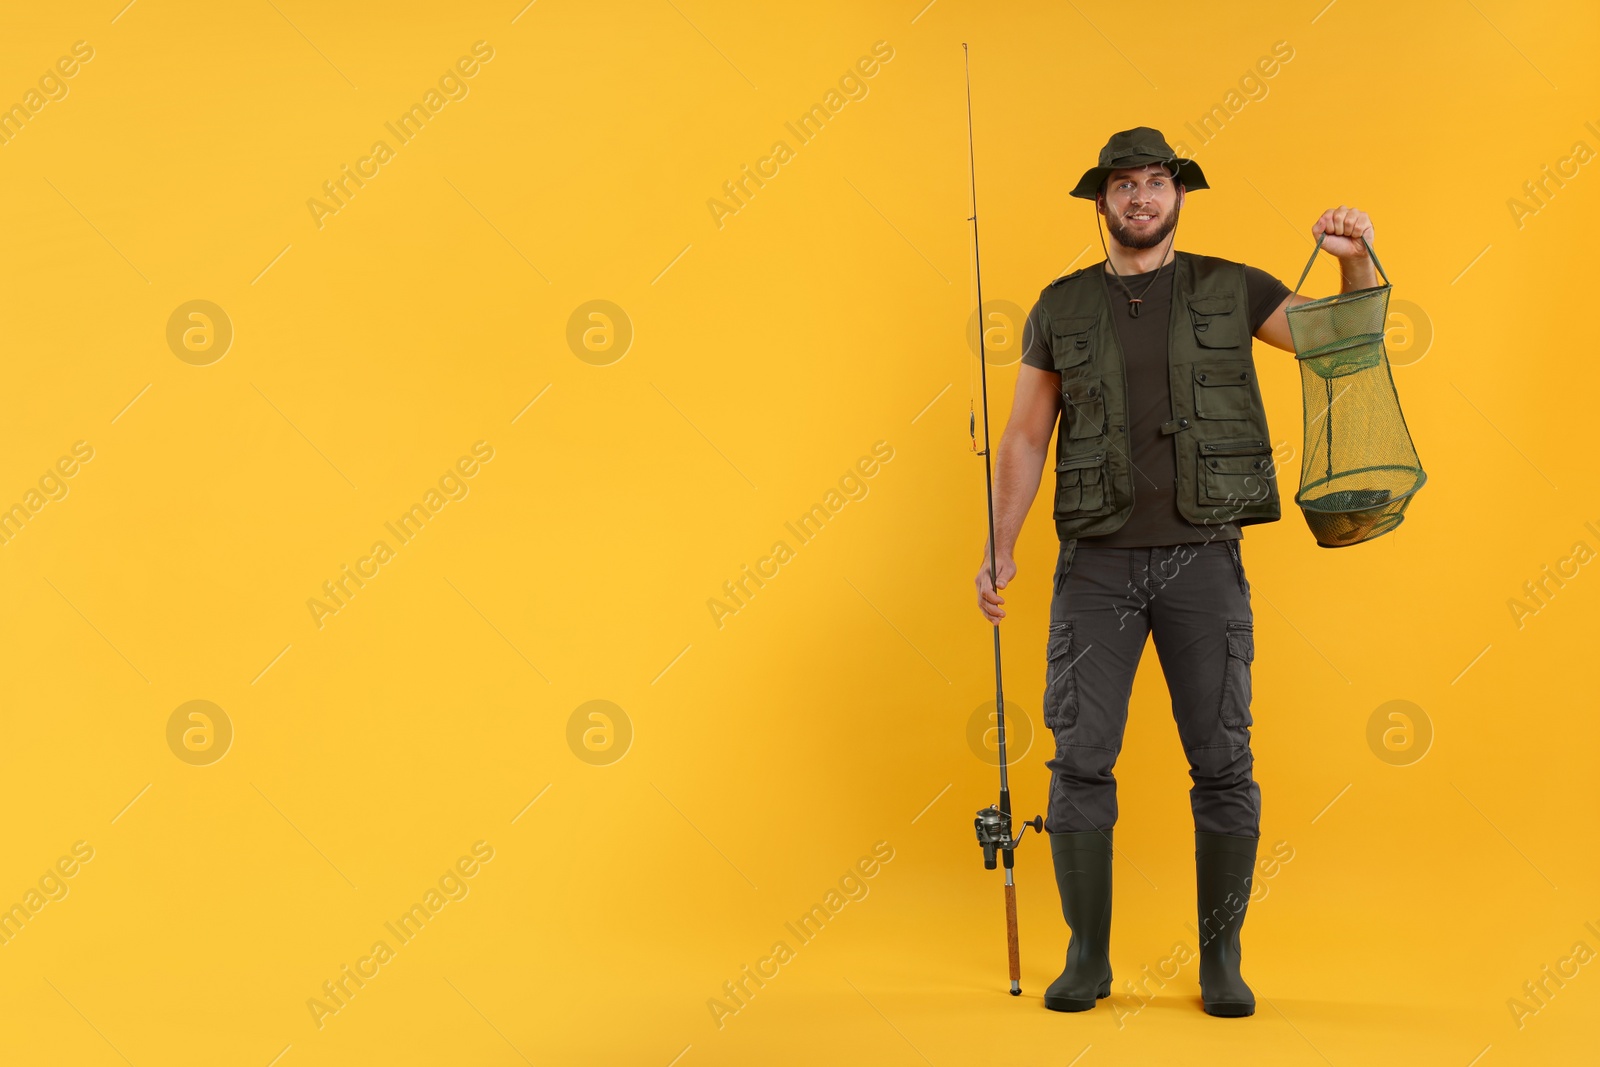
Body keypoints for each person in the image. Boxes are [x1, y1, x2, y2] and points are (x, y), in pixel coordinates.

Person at [972, 126, 1378, 1017]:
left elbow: (1335, 342)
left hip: (1205, 560)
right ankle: (1087, 958)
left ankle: (1222, 961)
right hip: (1095, 568)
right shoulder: (1059, 306)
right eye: (1125, 185)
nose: (1142, 198)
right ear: (1102, 201)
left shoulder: (1232, 288)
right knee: (1079, 758)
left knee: (1224, 762)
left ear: (1178, 195)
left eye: (1156, 182)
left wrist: (1354, 260)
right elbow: (1026, 435)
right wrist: (1001, 548)